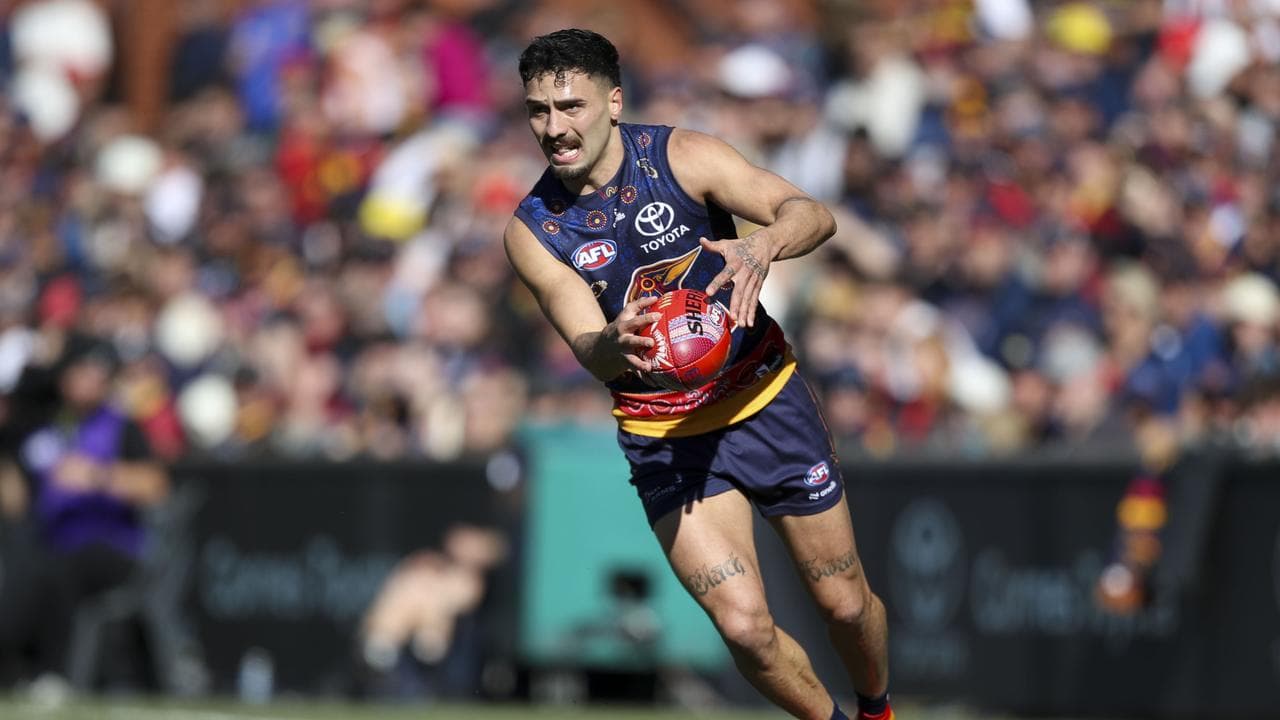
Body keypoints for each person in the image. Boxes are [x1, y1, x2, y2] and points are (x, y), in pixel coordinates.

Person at [504, 29, 891, 720]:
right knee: (744, 627)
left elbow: (813, 213)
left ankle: (877, 707)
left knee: (843, 600)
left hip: (763, 397)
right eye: (539, 111)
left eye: (572, 106)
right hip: (665, 433)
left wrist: (764, 244)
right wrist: (614, 345)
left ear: (613, 101)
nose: (555, 128)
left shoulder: (682, 156)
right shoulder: (534, 230)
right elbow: (588, 348)